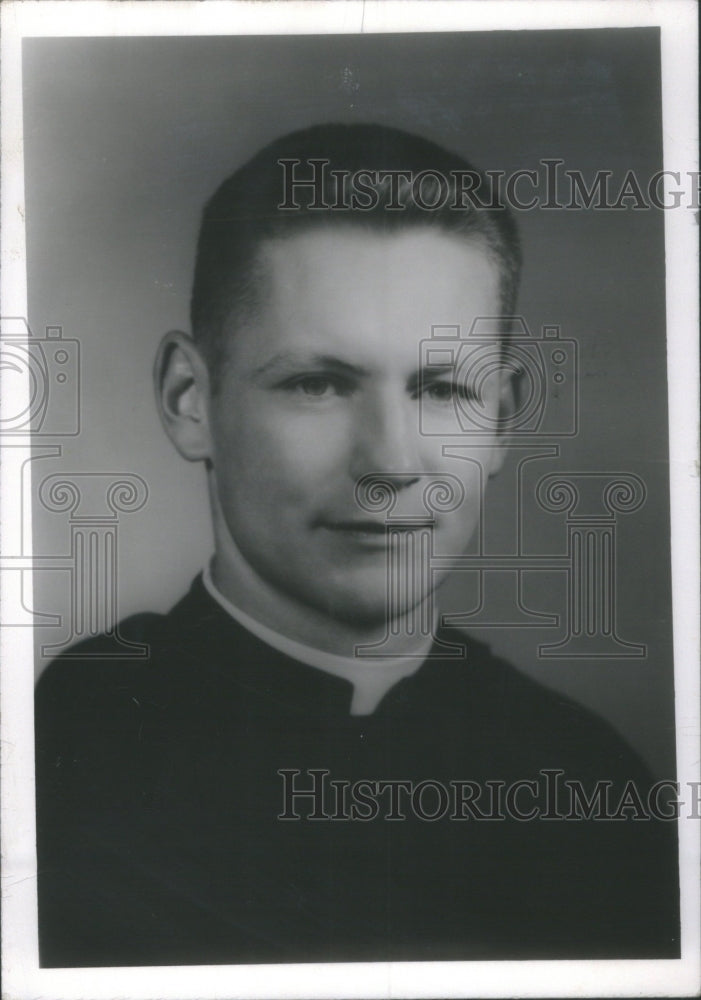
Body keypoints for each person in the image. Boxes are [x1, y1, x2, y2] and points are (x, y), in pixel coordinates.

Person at [35, 123, 679, 967]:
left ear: (502, 419)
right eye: (318, 383)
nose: (390, 464)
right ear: (191, 399)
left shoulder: (586, 783)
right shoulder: (62, 747)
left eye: (443, 387)